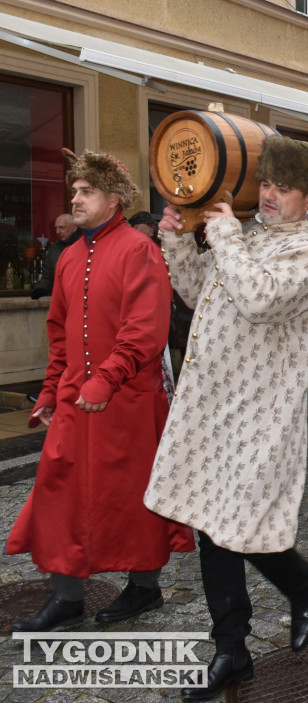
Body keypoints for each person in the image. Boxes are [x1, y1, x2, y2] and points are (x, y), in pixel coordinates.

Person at [145, 137, 308, 700]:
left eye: (284, 188)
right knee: (212, 524)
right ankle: (232, 648)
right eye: (268, 184)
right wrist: (179, 239)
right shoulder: (248, 237)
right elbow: (196, 287)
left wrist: (223, 234)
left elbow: (257, 298)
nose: (270, 195)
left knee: (242, 524)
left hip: (260, 412)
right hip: (210, 405)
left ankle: (302, 583)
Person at [7, 149, 194, 632]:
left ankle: (144, 588)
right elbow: (59, 332)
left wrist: (107, 377)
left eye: (86, 191)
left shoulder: (139, 249)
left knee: (131, 498)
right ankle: (66, 597)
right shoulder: (70, 256)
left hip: (129, 402)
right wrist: (50, 391)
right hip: (75, 399)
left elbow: (146, 330)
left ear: (113, 199)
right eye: (74, 190)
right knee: (59, 494)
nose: (76, 198)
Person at [30, 213, 79, 298]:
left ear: (74, 228)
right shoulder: (54, 249)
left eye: (61, 228)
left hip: (81, 298)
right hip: (61, 298)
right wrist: (40, 289)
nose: (57, 232)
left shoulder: (85, 245)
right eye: (56, 228)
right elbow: (47, 276)